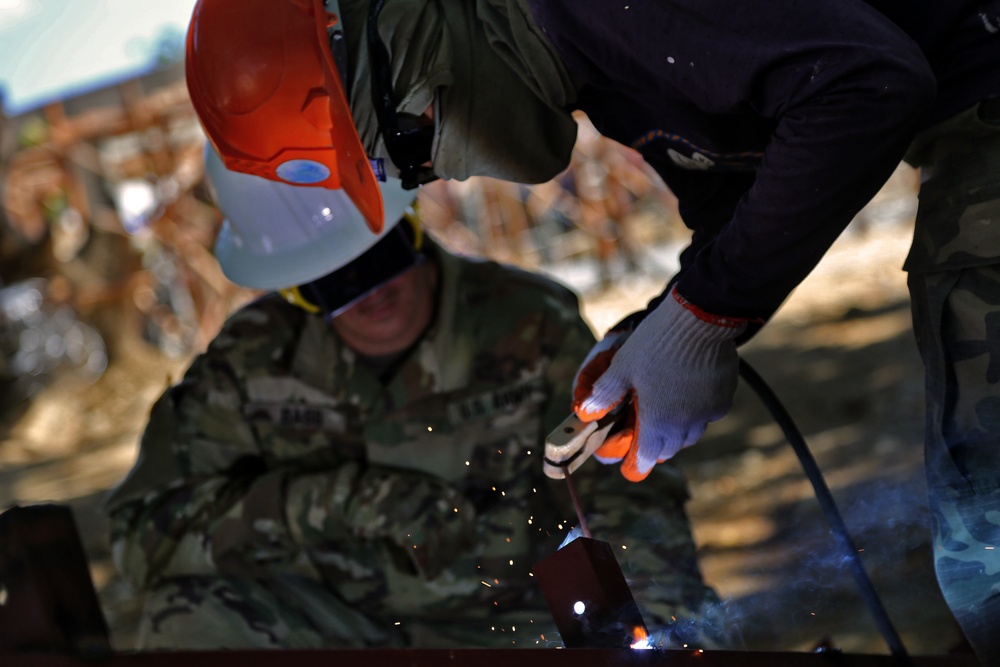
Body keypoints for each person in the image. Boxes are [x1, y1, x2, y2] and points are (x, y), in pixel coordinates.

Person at [183, 0, 1000, 662]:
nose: (450, 172)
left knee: (985, 538)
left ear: (409, 34)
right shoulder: (589, 65)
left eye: (410, 143)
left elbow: (866, 84)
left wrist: (703, 315)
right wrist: (662, 329)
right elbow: (740, 194)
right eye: (415, 174)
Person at [105, 151, 727, 650]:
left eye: (383, 256)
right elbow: (141, 539)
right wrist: (331, 502)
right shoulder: (246, 364)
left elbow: (624, 492)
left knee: (680, 633)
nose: (373, 294)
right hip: (346, 630)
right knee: (184, 621)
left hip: (514, 626)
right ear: (292, 288)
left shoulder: (526, 320)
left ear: (411, 222)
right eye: (335, 283)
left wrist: (645, 615)